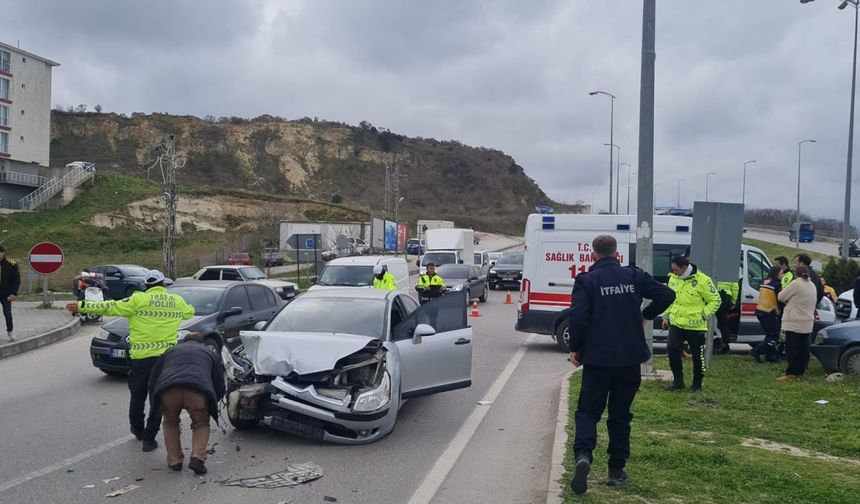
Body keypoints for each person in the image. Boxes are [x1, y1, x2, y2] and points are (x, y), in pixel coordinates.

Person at [567, 235, 675, 494]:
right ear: (617, 254)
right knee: (620, 416)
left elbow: (578, 318)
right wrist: (644, 315)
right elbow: (667, 294)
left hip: (598, 359)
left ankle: (583, 455)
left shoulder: (587, 281)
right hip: (628, 360)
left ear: (593, 255)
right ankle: (616, 470)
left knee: (588, 412)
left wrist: (576, 349)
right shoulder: (633, 276)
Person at [68, 270, 195, 452]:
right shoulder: (176, 301)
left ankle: (137, 429)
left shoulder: (138, 300)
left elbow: (110, 306)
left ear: (145, 286)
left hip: (141, 360)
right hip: (165, 361)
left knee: (138, 396)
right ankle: (149, 440)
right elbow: (189, 313)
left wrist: (82, 306)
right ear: (163, 285)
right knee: (158, 400)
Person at [148, 332, 225, 475]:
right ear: (201, 343)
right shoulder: (209, 352)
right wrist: (213, 402)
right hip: (197, 392)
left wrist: (156, 401)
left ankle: (175, 460)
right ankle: (197, 457)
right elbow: (219, 382)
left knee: (170, 423)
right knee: (201, 424)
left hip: (169, 390)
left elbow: (154, 377)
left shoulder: (170, 351)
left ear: (183, 341)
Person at [662, 255, 721, 392]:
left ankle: (697, 385)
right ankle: (678, 382)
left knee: (698, 356)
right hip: (677, 323)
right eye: (673, 270)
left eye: (676, 270)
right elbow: (670, 299)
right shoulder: (673, 279)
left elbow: (715, 300)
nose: (674, 273)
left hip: (696, 326)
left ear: (684, 267)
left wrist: (703, 315)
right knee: (672, 349)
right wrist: (666, 316)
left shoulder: (703, 280)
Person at [777, 264, 818, 381]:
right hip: (807, 322)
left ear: (796, 274)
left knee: (792, 349)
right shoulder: (812, 285)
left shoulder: (796, 283)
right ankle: (800, 371)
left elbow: (781, 296)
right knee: (803, 349)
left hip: (794, 321)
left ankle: (791, 374)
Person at [751, 266, 784, 363]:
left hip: (760, 311)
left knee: (769, 335)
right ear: (776, 273)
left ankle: (770, 356)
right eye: (781, 273)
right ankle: (757, 350)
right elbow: (780, 299)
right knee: (774, 335)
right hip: (770, 312)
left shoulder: (764, 282)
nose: (782, 275)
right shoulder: (776, 285)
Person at [713, 279, 740, 354]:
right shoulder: (729, 270)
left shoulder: (712, 268)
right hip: (725, 298)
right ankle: (725, 344)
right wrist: (733, 302)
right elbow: (735, 287)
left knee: (710, 321)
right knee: (722, 323)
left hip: (714, 295)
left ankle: (717, 341)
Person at [0, 246, 20, 342]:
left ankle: (10, 331)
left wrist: (13, 293)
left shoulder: (11, 264)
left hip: (6, 294)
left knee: (7, 313)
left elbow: (16, 280)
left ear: (3, 253)